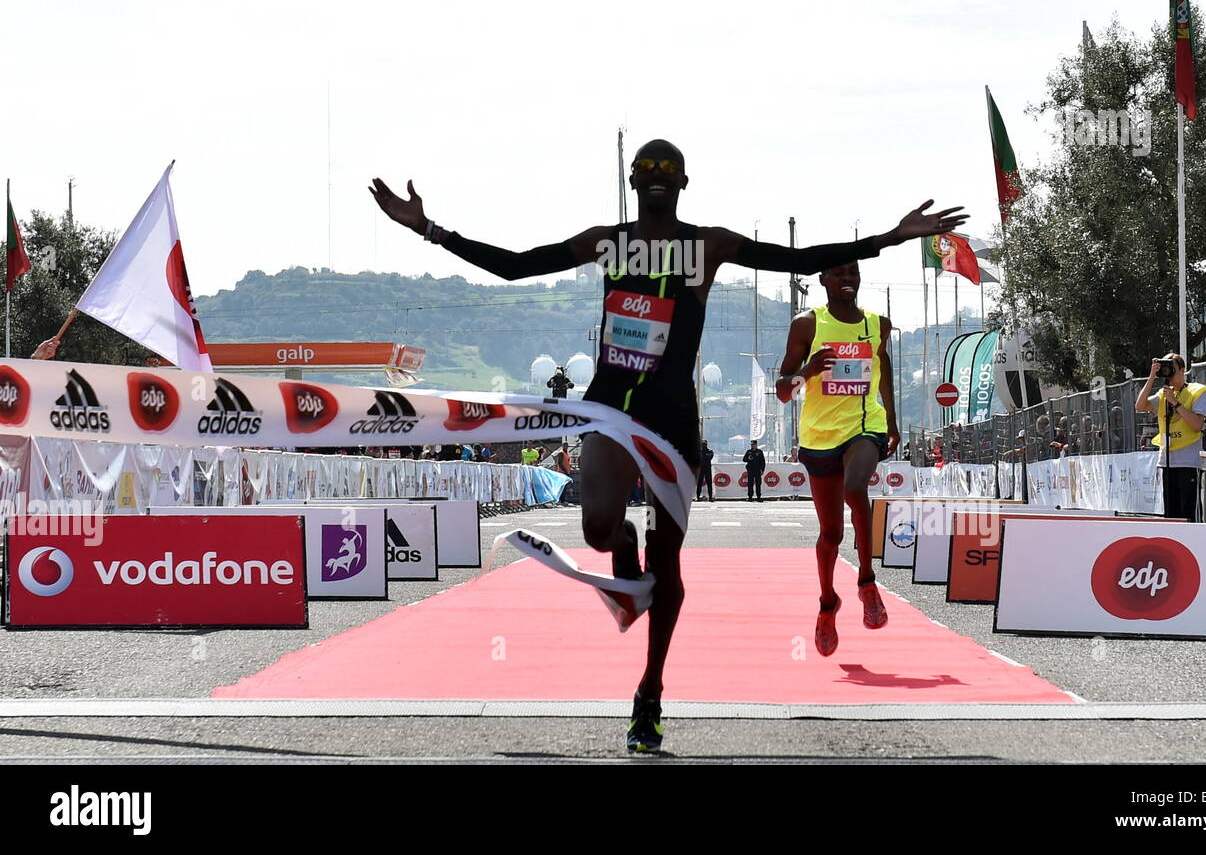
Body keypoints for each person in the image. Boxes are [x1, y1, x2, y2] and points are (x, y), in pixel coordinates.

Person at [370, 140, 966, 753]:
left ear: (684, 182)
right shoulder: (609, 241)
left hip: (674, 417)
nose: (656, 177)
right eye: (647, 170)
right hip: (610, 402)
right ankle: (621, 548)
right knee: (600, 529)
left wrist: (892, 237)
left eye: (667, 170)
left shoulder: (710, 244)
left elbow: (801, 257)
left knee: (669, 565)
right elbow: (518, 264)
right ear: (632, 180)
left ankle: (649, 693)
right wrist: (429, 229)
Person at [775, 261, 899, 656]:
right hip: (819, 435)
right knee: (831, 535)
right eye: (840, 274)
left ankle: (867, 582)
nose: (848, 280)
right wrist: (809, 371)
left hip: (864, 426)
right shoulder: (807, 324)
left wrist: (893, 422)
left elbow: (884, 372)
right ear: (823, 280)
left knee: (856, 487)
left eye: (854, 273)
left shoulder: (877, 325)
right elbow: (782, 390)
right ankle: (828, 603)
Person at [1135, 353, 1206, 522]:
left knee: (1189, 513)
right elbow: (1140, 406)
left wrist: (1176, 403)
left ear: (1182, 370)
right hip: (1167, 461)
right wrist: (1152, 377)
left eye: (1172, 368)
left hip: (1188, 462)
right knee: (1171, 515)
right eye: (1165, 369)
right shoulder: (1163, 394)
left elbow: (1197, 424)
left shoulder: (1197, 392)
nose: (1168, 373)